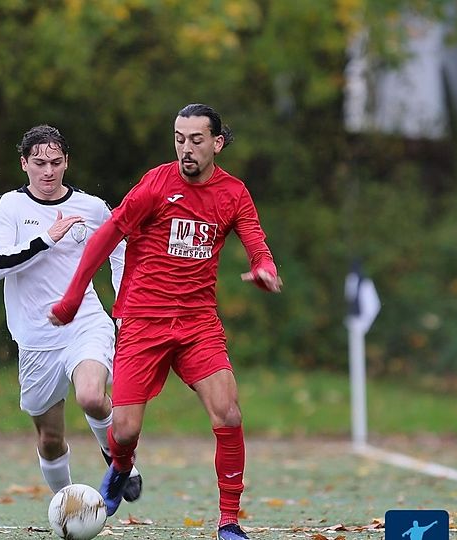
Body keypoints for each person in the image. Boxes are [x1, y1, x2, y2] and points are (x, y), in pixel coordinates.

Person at [49, 104, 283, 540]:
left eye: (196, 140)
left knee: (228, 415)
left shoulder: (234, 193)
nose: (186, 149)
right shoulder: (156, 184)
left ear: (217, 143)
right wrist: (72, 296)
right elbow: (107, 235)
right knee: (124, 430)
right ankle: (121, 466)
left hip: (197, 324)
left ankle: (229, 522)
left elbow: (256, 240)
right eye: (179, 138)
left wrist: (265, 267)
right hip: (142, 321)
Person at [0, 125, 141, 502]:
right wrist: (46, 239)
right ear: (24, 164)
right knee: (50, 439)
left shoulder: (90, 207)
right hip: (35, 337)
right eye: (39, 163)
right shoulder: (9, 206)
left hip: (83, 321)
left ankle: (120, 462)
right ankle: (68, 506)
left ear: (67, 162)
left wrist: (124, 307)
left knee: (91, 395)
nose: (48, 171)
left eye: (56, 162)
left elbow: (121, 251)